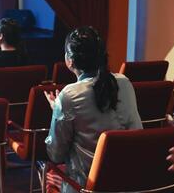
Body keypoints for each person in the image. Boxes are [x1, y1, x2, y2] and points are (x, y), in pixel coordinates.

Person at [44, 26, 143, 193]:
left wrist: (58, 110)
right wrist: (60, 109)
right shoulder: (124, 82)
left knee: (49, 173)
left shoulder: (69, 95)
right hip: (128, 180)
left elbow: (55, 154)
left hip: (87, 186)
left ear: (70, 61)